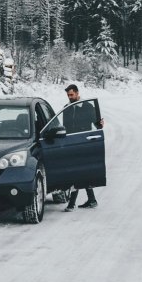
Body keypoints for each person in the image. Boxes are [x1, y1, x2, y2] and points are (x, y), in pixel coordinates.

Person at [62, 83, 104, 211]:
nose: (70, 97)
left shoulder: (87, 107)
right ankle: (92, 200)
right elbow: (65, 127)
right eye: (68, 95)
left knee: (77, 172)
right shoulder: (66, 108)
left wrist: (100, 124)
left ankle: (71, 204)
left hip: (84, 142)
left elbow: (96, 125)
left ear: (77, 93)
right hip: (71, 143)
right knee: (81, 172)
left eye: (72, 94)